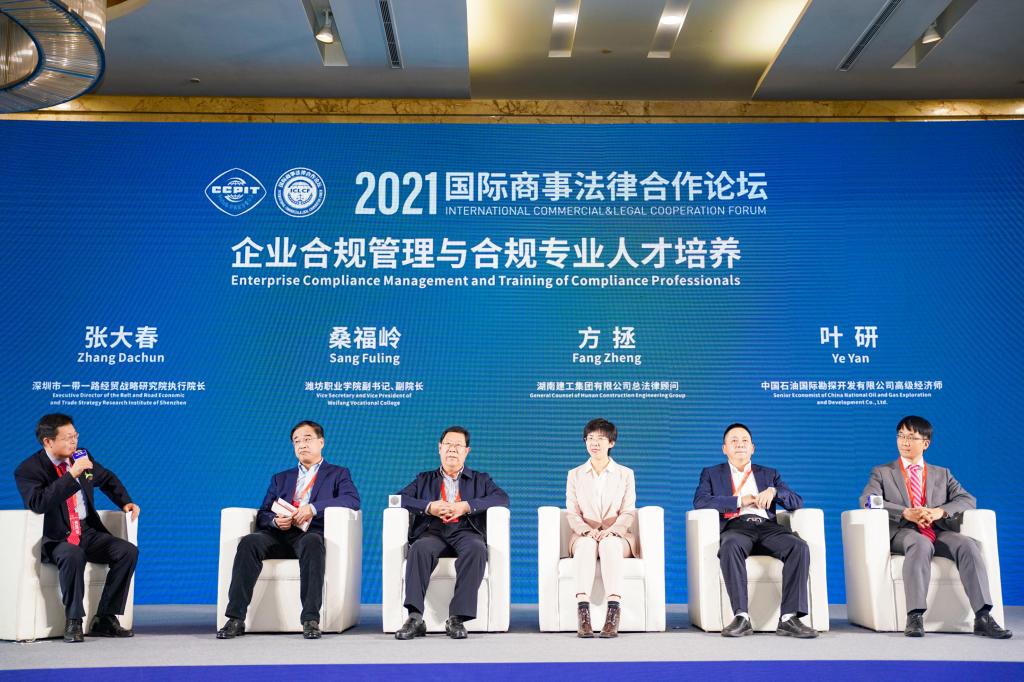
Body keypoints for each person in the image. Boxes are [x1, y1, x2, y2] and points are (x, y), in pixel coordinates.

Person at [859, 415, 1011, 638]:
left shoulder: (942, 473)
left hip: (937, 530)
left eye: (911, 437)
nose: (904, 442)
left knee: (968, 545)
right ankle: (915, 616)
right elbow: (867, 500)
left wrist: (940, 511)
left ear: (925, 443)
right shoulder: (882, 472)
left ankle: (983, 616)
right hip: (904, 532)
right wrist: (905, 512)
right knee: (920, 544)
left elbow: (967, 499)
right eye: (901, 436)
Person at [217, 420, 360, 640]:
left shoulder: (338, 473)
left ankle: (310, 619)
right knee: (249, 542)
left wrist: (313, 508)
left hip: (309, 534)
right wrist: (275, 521)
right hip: (278, 534)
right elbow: (263, 513)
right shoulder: (281, 478)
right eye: (297, 441)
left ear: (321, 442)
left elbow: (352, 500)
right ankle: (235, 618)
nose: (302, 444)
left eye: (307, 439)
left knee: (313, 542)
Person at [14, 414, 140, 643]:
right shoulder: (29, 469)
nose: (73, 442)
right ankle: (73, 621)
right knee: (73, 555)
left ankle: (105, 618)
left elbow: (106, 478)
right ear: (48, 441)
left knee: (127, 551)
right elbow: (38, 503)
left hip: (86, 531)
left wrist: (125, 501)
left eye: (75, 436)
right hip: (54, 537)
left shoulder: (81, 456)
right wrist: (71, 475)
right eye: (67, 438)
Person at [693, 423, 817, 638]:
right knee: (730, 545)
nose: (740, 444)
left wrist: (775, 492)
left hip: (768, 527)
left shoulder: (769, 474)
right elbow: (700, 501)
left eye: (744, 441)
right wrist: (739, 501)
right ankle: (741, 617)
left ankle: (789, 618)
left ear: (753, 448)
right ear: (724, 449)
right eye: (734, 441)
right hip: (736, 526)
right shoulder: (711, 473)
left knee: (799, 547)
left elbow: (796, 501)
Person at [393, 426, 509, 640]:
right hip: (433, 531)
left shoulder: (480, 479)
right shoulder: (424, 479)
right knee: (419, 548)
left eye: (458, 445)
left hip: (466, 530)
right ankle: (415, 618)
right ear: (440, 448)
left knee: (476, 549)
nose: (452, 449)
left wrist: (466, 506)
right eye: (448, 444)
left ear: (466, 451)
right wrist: (430, 507)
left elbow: (502, 498)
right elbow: (396, 499)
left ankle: (457, 618)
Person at [565, 418, 637, 638]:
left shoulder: (625, 473)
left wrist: (612, 530)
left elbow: (628, 511)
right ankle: (583, 614)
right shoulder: (575, 474)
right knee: (587, 545)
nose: (594, 443)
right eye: (590, 438)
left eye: (600, 438)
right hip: (584, 534)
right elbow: (572, 512)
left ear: (611, 443)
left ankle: (613, 612)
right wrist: (587, 531)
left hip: (617, 535)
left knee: (609, 544)